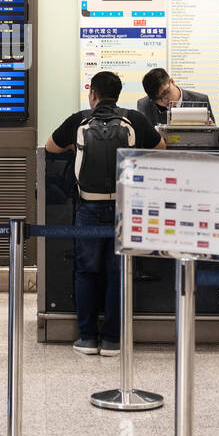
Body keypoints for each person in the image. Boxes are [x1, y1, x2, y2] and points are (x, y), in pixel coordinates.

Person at [46, 70, 163, 356]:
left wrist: (78, 146)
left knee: (86, 271)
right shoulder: (134, 119)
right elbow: (161, 148)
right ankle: (112, 339)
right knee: (118, 271)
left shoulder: (80, 119)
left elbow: (50, 146)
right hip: (125, 207)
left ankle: (87, 337)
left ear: (93, 95)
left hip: (88, 205)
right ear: (118, 95)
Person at [137, 67, 211, 127]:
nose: (164, 101)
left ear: (172, 81)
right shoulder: (145, 105)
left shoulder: (200, 101)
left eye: (165, 93)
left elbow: (212, 137)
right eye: (157, 99)